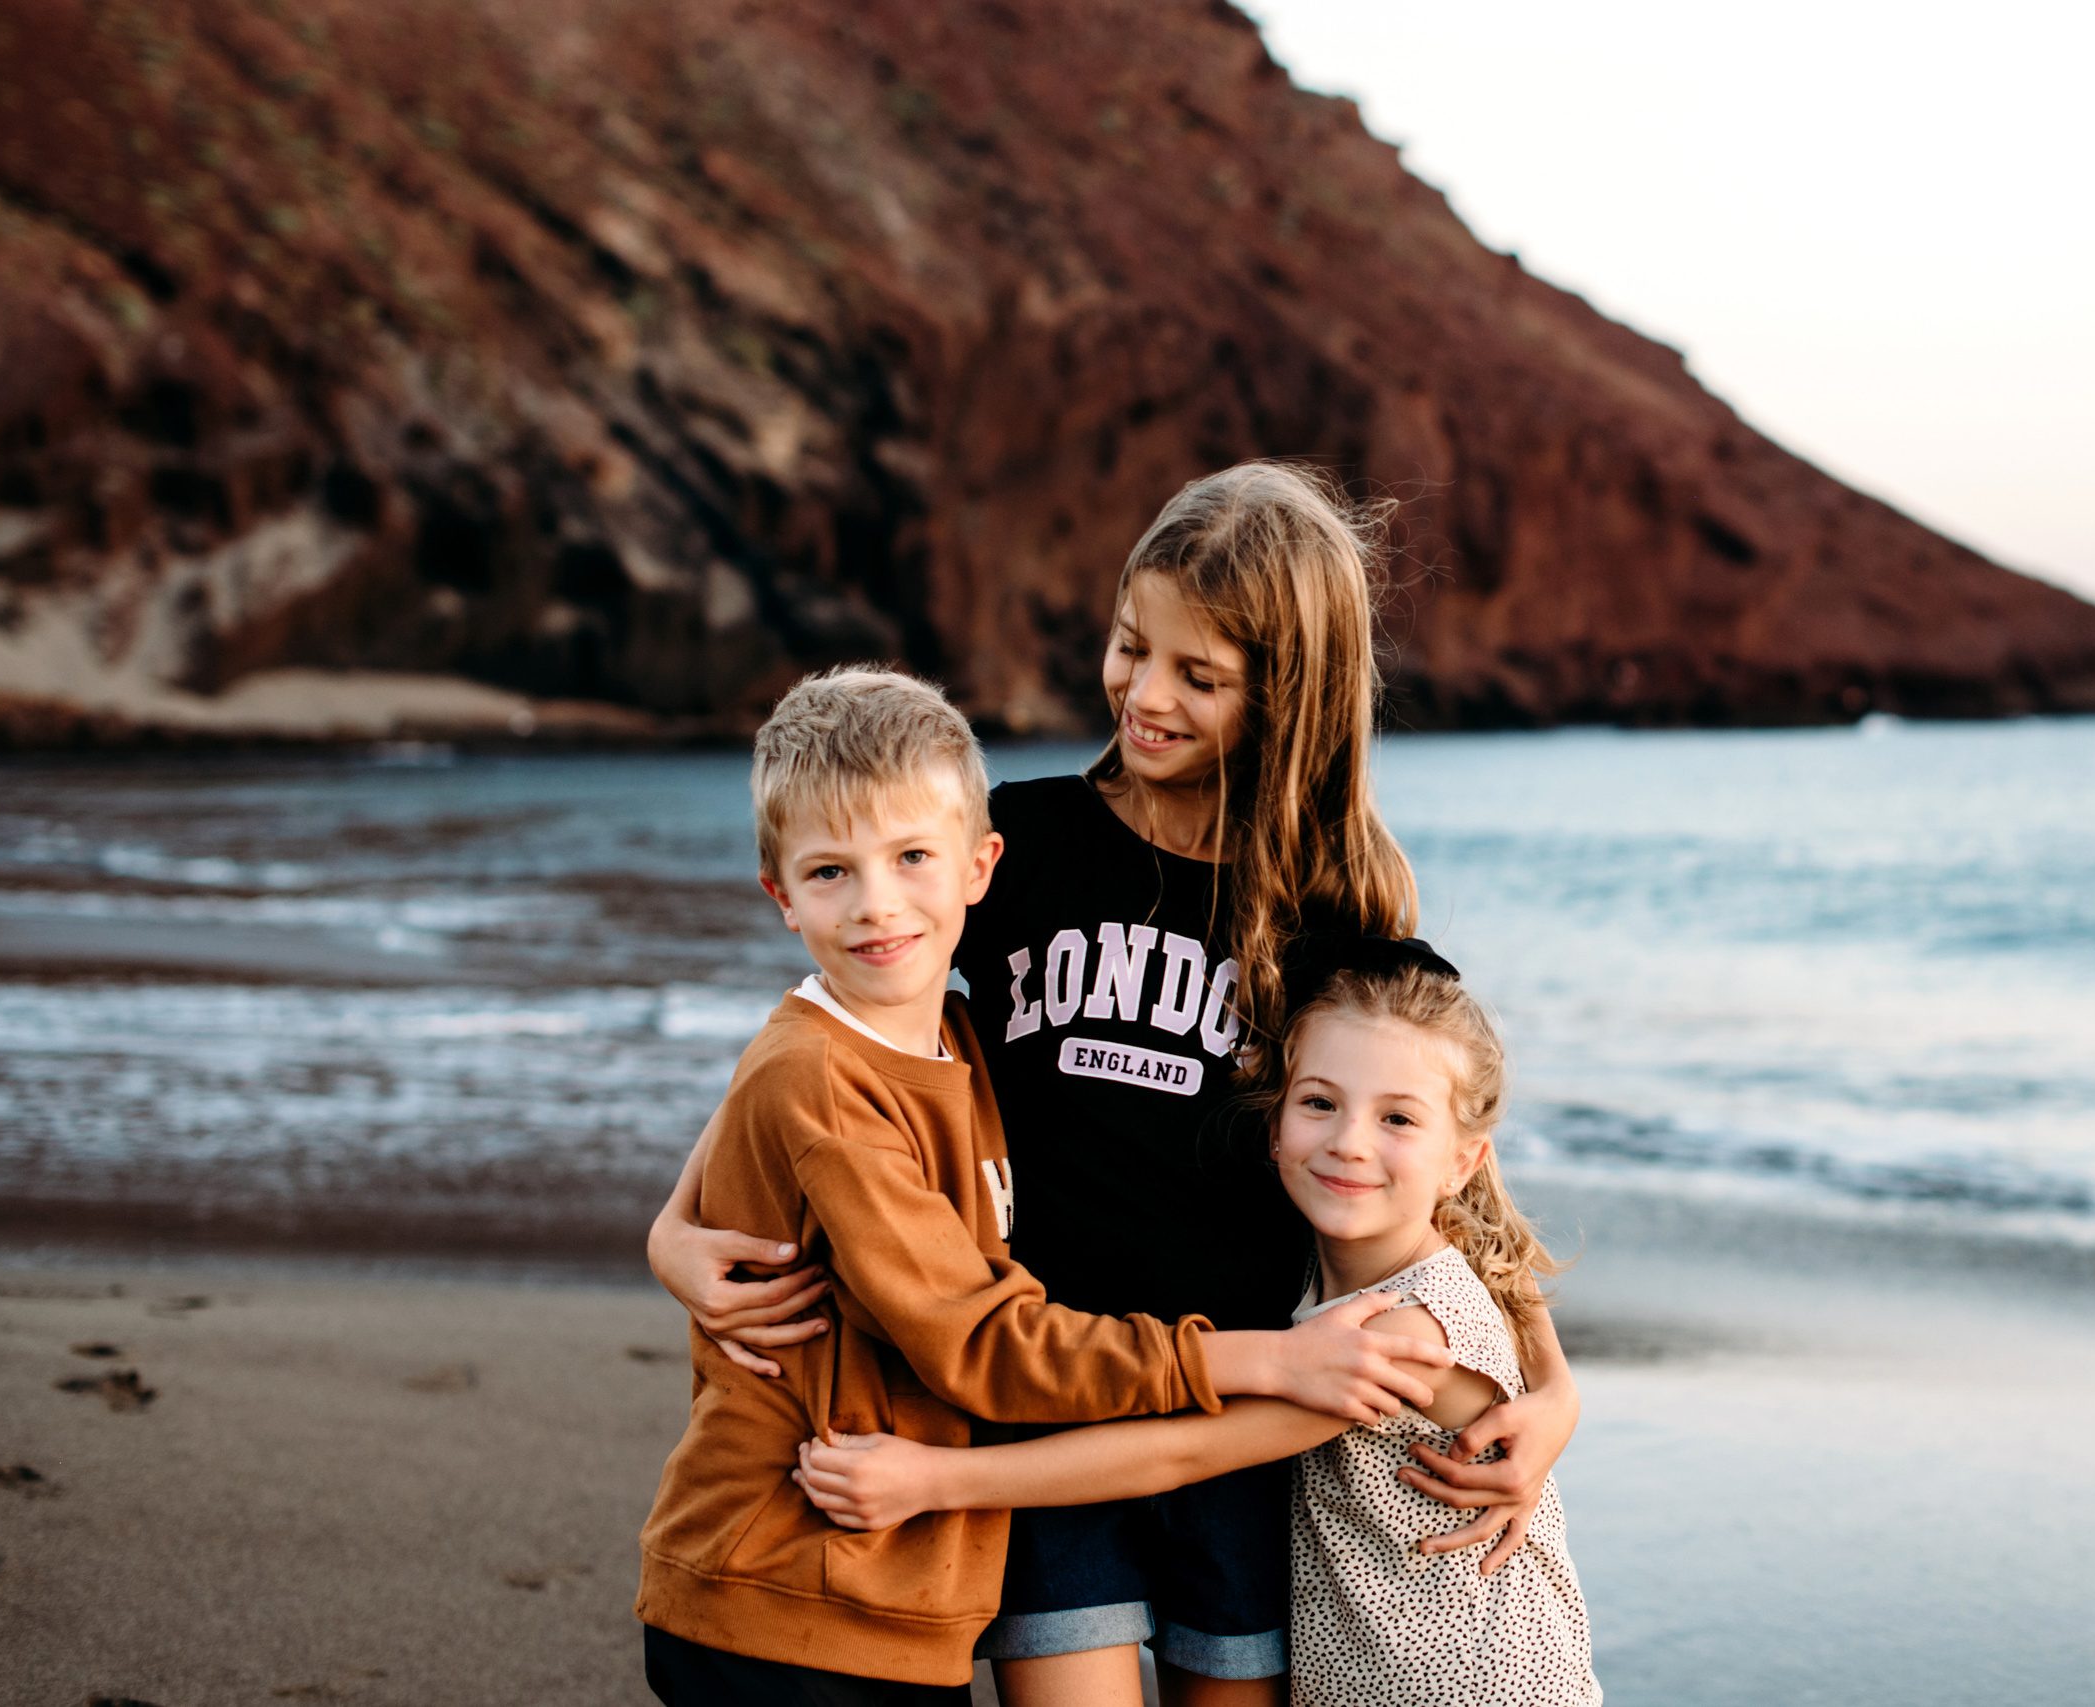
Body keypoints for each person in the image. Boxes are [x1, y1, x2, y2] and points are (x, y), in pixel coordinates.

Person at [650, 464, 1583, 1706]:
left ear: (1287, 695)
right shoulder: (1018, 848)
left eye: (1197, 678)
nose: (1144, 696)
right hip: (1045, 1416)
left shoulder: (1331, 908)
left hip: (1251, 1429)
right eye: (1130, 647)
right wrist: (671, 1229)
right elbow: (841, 1036)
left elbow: (1451, 1174)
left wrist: (1553, 1388)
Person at [794, 943, 1603, 1707]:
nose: (1350, 1143)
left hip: (1478, 1683)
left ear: (1464, 1158)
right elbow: (1493, 1255)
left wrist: (932, 1481)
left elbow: (1180, 1451)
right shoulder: (1347, 1262)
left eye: (1399, 1119)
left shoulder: (1401, 1336)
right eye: (1320, 1103)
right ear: (1275, 1118)